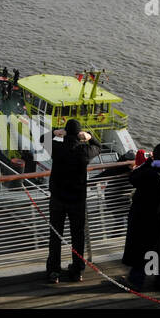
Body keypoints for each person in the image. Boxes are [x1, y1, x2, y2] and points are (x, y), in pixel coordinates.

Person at [45, 118, 101, 283]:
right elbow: (99, 147)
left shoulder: (57, 148)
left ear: (65, 133)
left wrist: (55, 131)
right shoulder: (84, 151)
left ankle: (53, 272)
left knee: (55, 236)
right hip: (77, 200)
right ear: (79, 134)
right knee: (78, 236)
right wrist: (89, 136)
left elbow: (43, 139)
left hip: (57, 199)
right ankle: (77, 271)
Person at [122, 143, 160, 292]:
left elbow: (133, 178)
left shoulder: (150, 173)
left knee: (146, 248)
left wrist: (148, 162)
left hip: (150, 216)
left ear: (155, 156)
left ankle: (137, 280)